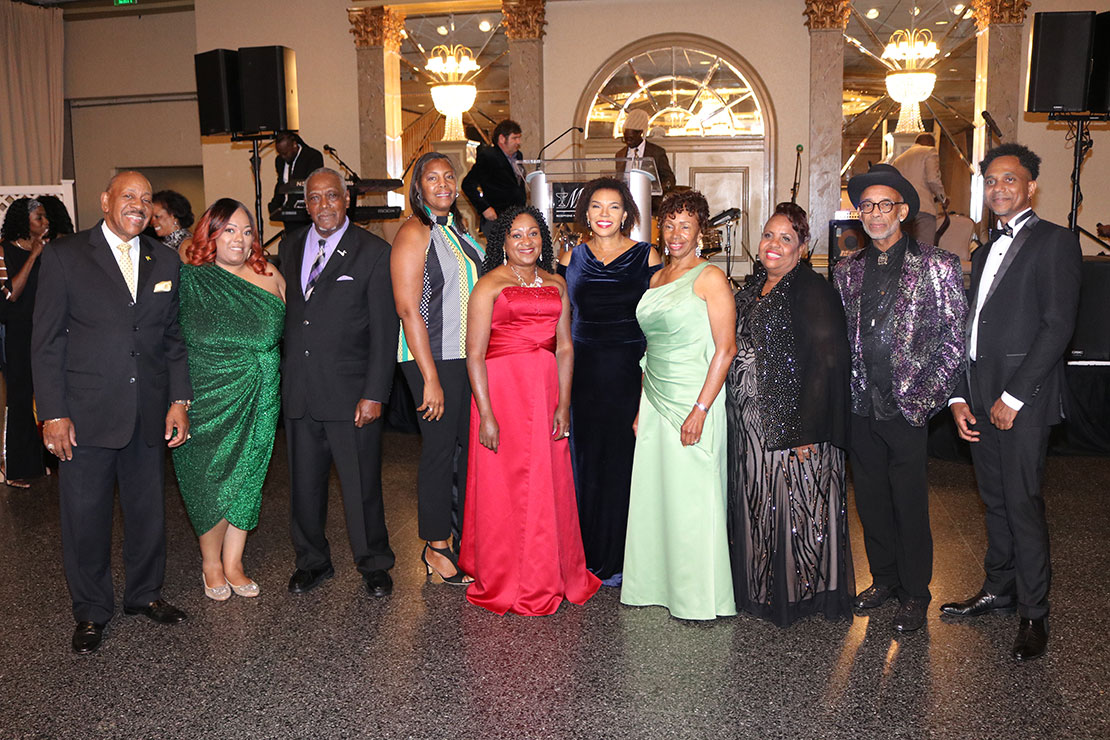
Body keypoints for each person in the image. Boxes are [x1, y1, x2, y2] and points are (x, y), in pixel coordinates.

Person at [32, 171, 192, 654]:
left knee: (148, 514)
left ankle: (145, 595)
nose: (138, 205)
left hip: (147, 413)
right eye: (128, 196)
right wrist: (53, 413)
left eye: (146, 199)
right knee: (85, 518)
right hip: (85, 415)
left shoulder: (164, 259)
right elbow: (44, 344)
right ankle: (90, 610)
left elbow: (172, 340)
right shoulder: (64, 256)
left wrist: (179, 401)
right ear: (105, 201)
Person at [943, 143, 1082, 662]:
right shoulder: (981, 251)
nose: (999, 188)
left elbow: (1057, 327)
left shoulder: (1055, 243)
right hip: (979, 395)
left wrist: (1014, 395)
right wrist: (960, 395)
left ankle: (1033, 614)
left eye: (1009, 180)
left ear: (1029, 187)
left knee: (1022, 504)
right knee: (994, 500)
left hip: (1023, 397)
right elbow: (968, 330)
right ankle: (998, 590)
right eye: (991, 181)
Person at [833, 163, 966, 633]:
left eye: (884, 204)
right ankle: (885, 579)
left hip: (907, 408)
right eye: (866, 205)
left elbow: (953, 340)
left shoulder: (938, 265)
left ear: (903, 211)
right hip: (858, 406)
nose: (874, 213)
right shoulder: (846, 271)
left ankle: (915, 592)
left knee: (909, 504)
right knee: (869, 501)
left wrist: (925, 400)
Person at [460, 205, 600, 615]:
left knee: (547, 481)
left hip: (546, 390)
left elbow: (566, 347)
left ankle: (546, 572)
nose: (526, 242)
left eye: (533, 234)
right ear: (502, 242)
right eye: (517, 235)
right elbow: (474, 354)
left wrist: (564, 402)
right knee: (502, 483)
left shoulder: (557, 283)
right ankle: (506, 574)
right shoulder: (489, 284)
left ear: (544, 240)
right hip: (501, 391)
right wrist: (486, 413)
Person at [726, 203, 853, 627]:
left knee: (793, 512)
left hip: (791, 426)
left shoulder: (812, 290)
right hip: (750, 424)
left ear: (802, 247)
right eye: (768, 235)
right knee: (760, 505)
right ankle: (761, 588)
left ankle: (797, 596)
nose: (773, 245)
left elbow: (828, 364)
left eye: (785, 238)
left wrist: (805, 433)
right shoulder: (754, 286)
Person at [279, 167, 398, 599]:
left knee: (361, 485)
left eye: (332, 197)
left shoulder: (371, 251)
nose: (323, 206)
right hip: (301, 392)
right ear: (305, 203)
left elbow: (384, 332)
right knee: (303, 487)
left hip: (352, 395)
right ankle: (312, 561)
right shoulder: (291, 246)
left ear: (346, 200)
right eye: (314, 198)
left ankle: (374, 563)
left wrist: (374, 393)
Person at [621, 189, 738, 621]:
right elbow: (649, 350)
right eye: (668, 224)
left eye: (684, 226)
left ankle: (696, 595)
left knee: (693, 499)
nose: (675, 234)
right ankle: (655, 584)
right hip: (655, 400)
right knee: (656, 497)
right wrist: (640, 406)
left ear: (700, 231)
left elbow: (726, 349)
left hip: (695, 400)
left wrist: (701, 410)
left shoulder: (710, 278)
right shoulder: (655, 279)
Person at [173, 199, 285, 601]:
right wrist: (177, 399)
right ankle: (212, 564)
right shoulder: (191, 278)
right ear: (212, 233)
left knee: (249, 478)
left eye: (247, 231)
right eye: (230, 230)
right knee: (208, 480)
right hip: (203, 398)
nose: (240, 239)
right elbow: (170, 344)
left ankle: (235, 561)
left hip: (259, 395)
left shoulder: (270, 275)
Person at [556, 177, 662, 585]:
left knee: (625, 464)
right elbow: (561, 321)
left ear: (627, 214)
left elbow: (657, 317)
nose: (604, 214)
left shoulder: (645, 255)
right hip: (583, 371)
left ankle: (622, 560)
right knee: (585, 463)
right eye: (596, 206)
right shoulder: (570, 258)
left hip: (629, 370)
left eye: (613, 207)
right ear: (585, 212)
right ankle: (587, 557)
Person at [391, 152, 485, 585]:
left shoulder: (460, 231)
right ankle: (436, 546)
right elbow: (409, 309)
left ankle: (464, 539)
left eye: (450, 176)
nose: (443, 184)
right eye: (433, 178)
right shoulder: (415, 231)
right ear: (419, 187)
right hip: (431, 357)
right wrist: (429, 377)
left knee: (466, 452)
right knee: (439, 452)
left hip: (465, 357)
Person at [0, 198, 49, 487]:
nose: (45, 222)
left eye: (44, 217)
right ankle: (15, 469)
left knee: (41, 397)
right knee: (19, 399)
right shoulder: (4, 250)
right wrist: (33, 255)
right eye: (39, 217)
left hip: (42, 331)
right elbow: (11, 296)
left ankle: (35, 462)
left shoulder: (48, 250)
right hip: (15, 334)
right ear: (24, 220)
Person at [460, 119, 526, 238]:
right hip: (497, 219)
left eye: (519, 138)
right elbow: (467, 184)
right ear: (502, 139)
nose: (518, 142)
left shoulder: (518, 156)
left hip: (517, 217)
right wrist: (484, 208)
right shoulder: (488, 156)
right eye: (515, 138)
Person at [615, 109, 676, 211]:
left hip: (650, 205)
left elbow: (669, 179)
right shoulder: (620, 154)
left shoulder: (657, 152)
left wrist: (657, 189)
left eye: (630, 138)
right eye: (625, 139)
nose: (628, 143)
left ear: (640, 133)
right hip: (625, 204)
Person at [892, 133, 947, 245]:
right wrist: (943, 199)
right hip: (923, 207)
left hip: (903, 211)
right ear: (931, 143)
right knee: (924, 250)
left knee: (905, 249)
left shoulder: (899, 160)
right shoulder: (929, 151)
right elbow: (932, 179)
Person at [269, 131, 325, 220]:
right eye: (280, 153)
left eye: (285, 153)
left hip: (305, 214)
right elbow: (281, 184)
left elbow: (313, 186)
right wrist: (274, 207)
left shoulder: (312, 157)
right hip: (286, 213)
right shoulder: (279, 161)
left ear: (294, 145)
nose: (283, 157)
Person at [151, 189, 195, 259]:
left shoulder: (187, 246)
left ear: (173, 216)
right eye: (151, 217)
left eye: (157, 217)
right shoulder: (160, 244)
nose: (152, 221)